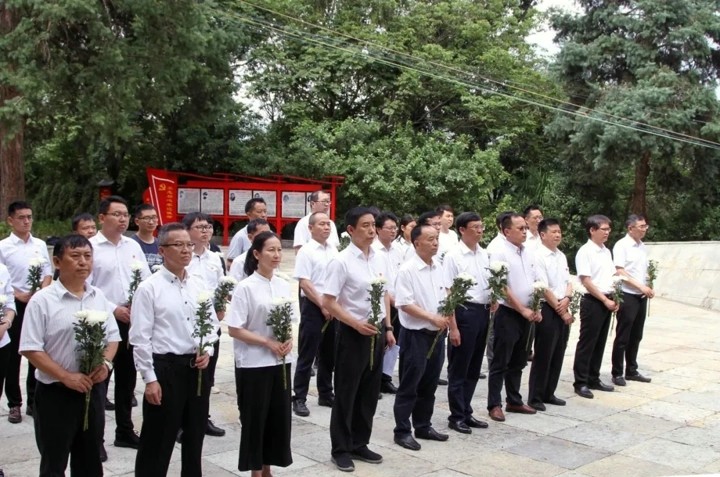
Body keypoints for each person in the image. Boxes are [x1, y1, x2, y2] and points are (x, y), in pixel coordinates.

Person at [19, 234, 120, 477]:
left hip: (91, 391)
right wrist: (65, 376)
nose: (83, 262)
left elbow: (113, 338)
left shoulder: (98, 296)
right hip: (56, 394)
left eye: (87, 256)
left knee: (90, 460)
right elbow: (31, 348)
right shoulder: (42, 301)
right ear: (57, 262)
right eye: (75, 256)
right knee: (54, 462)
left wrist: (105, 364)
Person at [130, 223, 220, 477]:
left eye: (189, 244)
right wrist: (150, 379)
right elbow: (140, 338)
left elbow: (212, 325)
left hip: (197, 369)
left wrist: (207, 349)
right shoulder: (149, 288)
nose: (186, 250)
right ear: (162, 250)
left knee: (195, 435)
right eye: (178, 245)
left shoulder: (198, 284)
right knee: (159, 438)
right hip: (166, 369)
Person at [323, 207, 395, 473]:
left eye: (373, 224)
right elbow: (328, 301)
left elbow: (384, 293)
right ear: (351, 230)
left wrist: (388, 327)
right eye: (365, 225)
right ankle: (340, 449)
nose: (371, 230)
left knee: (369, 392)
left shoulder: (379, 258)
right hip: (352, 333)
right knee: (347, 392)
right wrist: (355, 323)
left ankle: (359, 442)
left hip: (376, 331)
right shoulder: (341, 261)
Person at [227, 231, 294, 476]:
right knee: (255, 419)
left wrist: (288, 340)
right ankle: (256, 470)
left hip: (280, 361)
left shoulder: (283, 284)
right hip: (253, 363)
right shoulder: (245, 288)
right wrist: (267, 342)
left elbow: (290, 321)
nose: (276, 255)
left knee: (277, 418)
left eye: (279, 250)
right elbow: (235, 329)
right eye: (270, 250)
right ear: (256, 254)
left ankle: (268, 468)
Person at [89, 196, 150, 451]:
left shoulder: (132, 246)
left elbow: (146, 280)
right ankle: (95, 440)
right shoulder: (90, 247)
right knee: (100, 378)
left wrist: (138, 306)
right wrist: (113, 309)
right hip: (101, 320)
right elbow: (86, 287)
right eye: (117, 214)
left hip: (130, 319)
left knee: (127, 379)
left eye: (125, 214)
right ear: (102, 218)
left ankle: (124, 430)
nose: (122, 219)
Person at [392, 223, 449, 451]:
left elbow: (445, 295)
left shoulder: (439, 266)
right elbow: (404, 303)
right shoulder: (407, 270)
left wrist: (445, 318)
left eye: (437, 239)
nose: (435, 243)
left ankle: (423, 425)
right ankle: (402, 431)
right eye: (430, 239)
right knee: (410, 384)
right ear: (416, 243)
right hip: (415, 335)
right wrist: (431, 317)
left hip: (437, 334)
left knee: (430, 383)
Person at [0, 201, 53, 423]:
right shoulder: (3, 247)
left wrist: (41, 292)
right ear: (10, 220)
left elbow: (47, 272)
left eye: (29, 217)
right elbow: (2, 280)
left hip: (37, 302)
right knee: (12, 356)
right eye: (21, 217)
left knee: (36, 350)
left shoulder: (39, 244)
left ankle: (34, 400)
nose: (26, 221)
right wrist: (18, 294)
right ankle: (14, 403)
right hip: (14, 304)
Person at [486, 213, 540, 422]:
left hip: (528, 312)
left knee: (519, 359)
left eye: (525, 228)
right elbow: (501, 285)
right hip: (508, 312)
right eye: (520, 228)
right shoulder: (499, 251)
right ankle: (494, 404)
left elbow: (536, 281)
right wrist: (521, 309)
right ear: (507, 231)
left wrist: (536, 307)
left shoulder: (528, 252)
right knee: (501, 360)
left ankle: (514, 399)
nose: (525, 232)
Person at [443, 212, 492, 434]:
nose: (480, 231)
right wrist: (453, 326)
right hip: (464, 312)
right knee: (459, 366)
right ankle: (456, 415)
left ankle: (466, 410)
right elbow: (448, 292)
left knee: (474, 366)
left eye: (481, 226)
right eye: (475, 227)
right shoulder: (453, 256)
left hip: (483, 312)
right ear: (462, 230)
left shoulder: (484, 254)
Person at [183, 212, 225, 437]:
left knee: (207, 374)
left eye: (208, 227)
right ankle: (182, 422)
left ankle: (202, 417)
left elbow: (221, 286)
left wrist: (221, 305)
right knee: (187, 374)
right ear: (187, 230)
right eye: (200, 227)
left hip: (211, 324)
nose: (206, 231)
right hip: (187, 324)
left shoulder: (215, 258)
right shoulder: (183, 257)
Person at [292, 212, 338, 416]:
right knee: (307, 353)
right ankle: (299, 397)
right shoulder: (306, 251)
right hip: (313, 305)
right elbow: (305, 282)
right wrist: (322, 305)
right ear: (310, 228)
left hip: (333, 305)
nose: (326, 227)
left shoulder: (334, 249)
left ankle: (325, 393)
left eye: (328, 224)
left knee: (329, 353)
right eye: (321, 224)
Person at [527, 219, 573, 411]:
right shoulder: (537, 256)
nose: (557, 235)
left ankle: (549, 392)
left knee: (558, 351)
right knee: (544, 352)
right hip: (548, 307)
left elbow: (568, 281)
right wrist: (561, 310)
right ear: (542, 234)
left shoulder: (561, 255)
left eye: (559, 231)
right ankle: (535, 396)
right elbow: (543, 287)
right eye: (553, 232)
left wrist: (568, 298)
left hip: (563, 304)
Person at [573, 215, 619, 399]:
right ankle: (581, 381)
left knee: (600, 342)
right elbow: (586, 280)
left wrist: (615, 296)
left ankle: (594, 377)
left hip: (607, 299)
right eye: (604, 229)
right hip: (593, 300)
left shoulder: (606, 251)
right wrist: (604, 299)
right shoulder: (585, 251)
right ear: (592, 230)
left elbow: (611, 276)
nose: (607, 232)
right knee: (588, 342)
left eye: (609, 229)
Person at [611, 214, 655, 386]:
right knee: (623, 336)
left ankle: (631, 369)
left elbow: (643, 270)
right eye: (641, 226)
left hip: (640, 296)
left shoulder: (642, 246)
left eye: (645, 226)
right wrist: (640, 286)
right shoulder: (622, 245)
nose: (644, 229)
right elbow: (620, 271)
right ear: (630, 228)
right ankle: (617, 372)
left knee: (636, 335)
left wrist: (648, 285)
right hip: (627, 294)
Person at [373, 212, 403, 395]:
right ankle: (374, 381)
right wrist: (392, 300)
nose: (393, 231)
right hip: (383, 302)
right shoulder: (374, 251)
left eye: (395, 228)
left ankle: (386, 377)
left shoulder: (398, 250)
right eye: (389, 228)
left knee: (394, 342)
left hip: (399, 303)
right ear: (378, 229)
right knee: (380, 343)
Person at [227, 198, 268, 266]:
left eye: (265, 211)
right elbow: (230, 263)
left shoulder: (271, 234)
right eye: (259, 212)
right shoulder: (240, 236)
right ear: (249, 214)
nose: (263, 215)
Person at [131, 204, 163, 269]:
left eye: (154, 217)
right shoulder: (131, 243)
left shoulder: (161, 244)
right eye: (146, 218)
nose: (151, 222)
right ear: (137, 221)